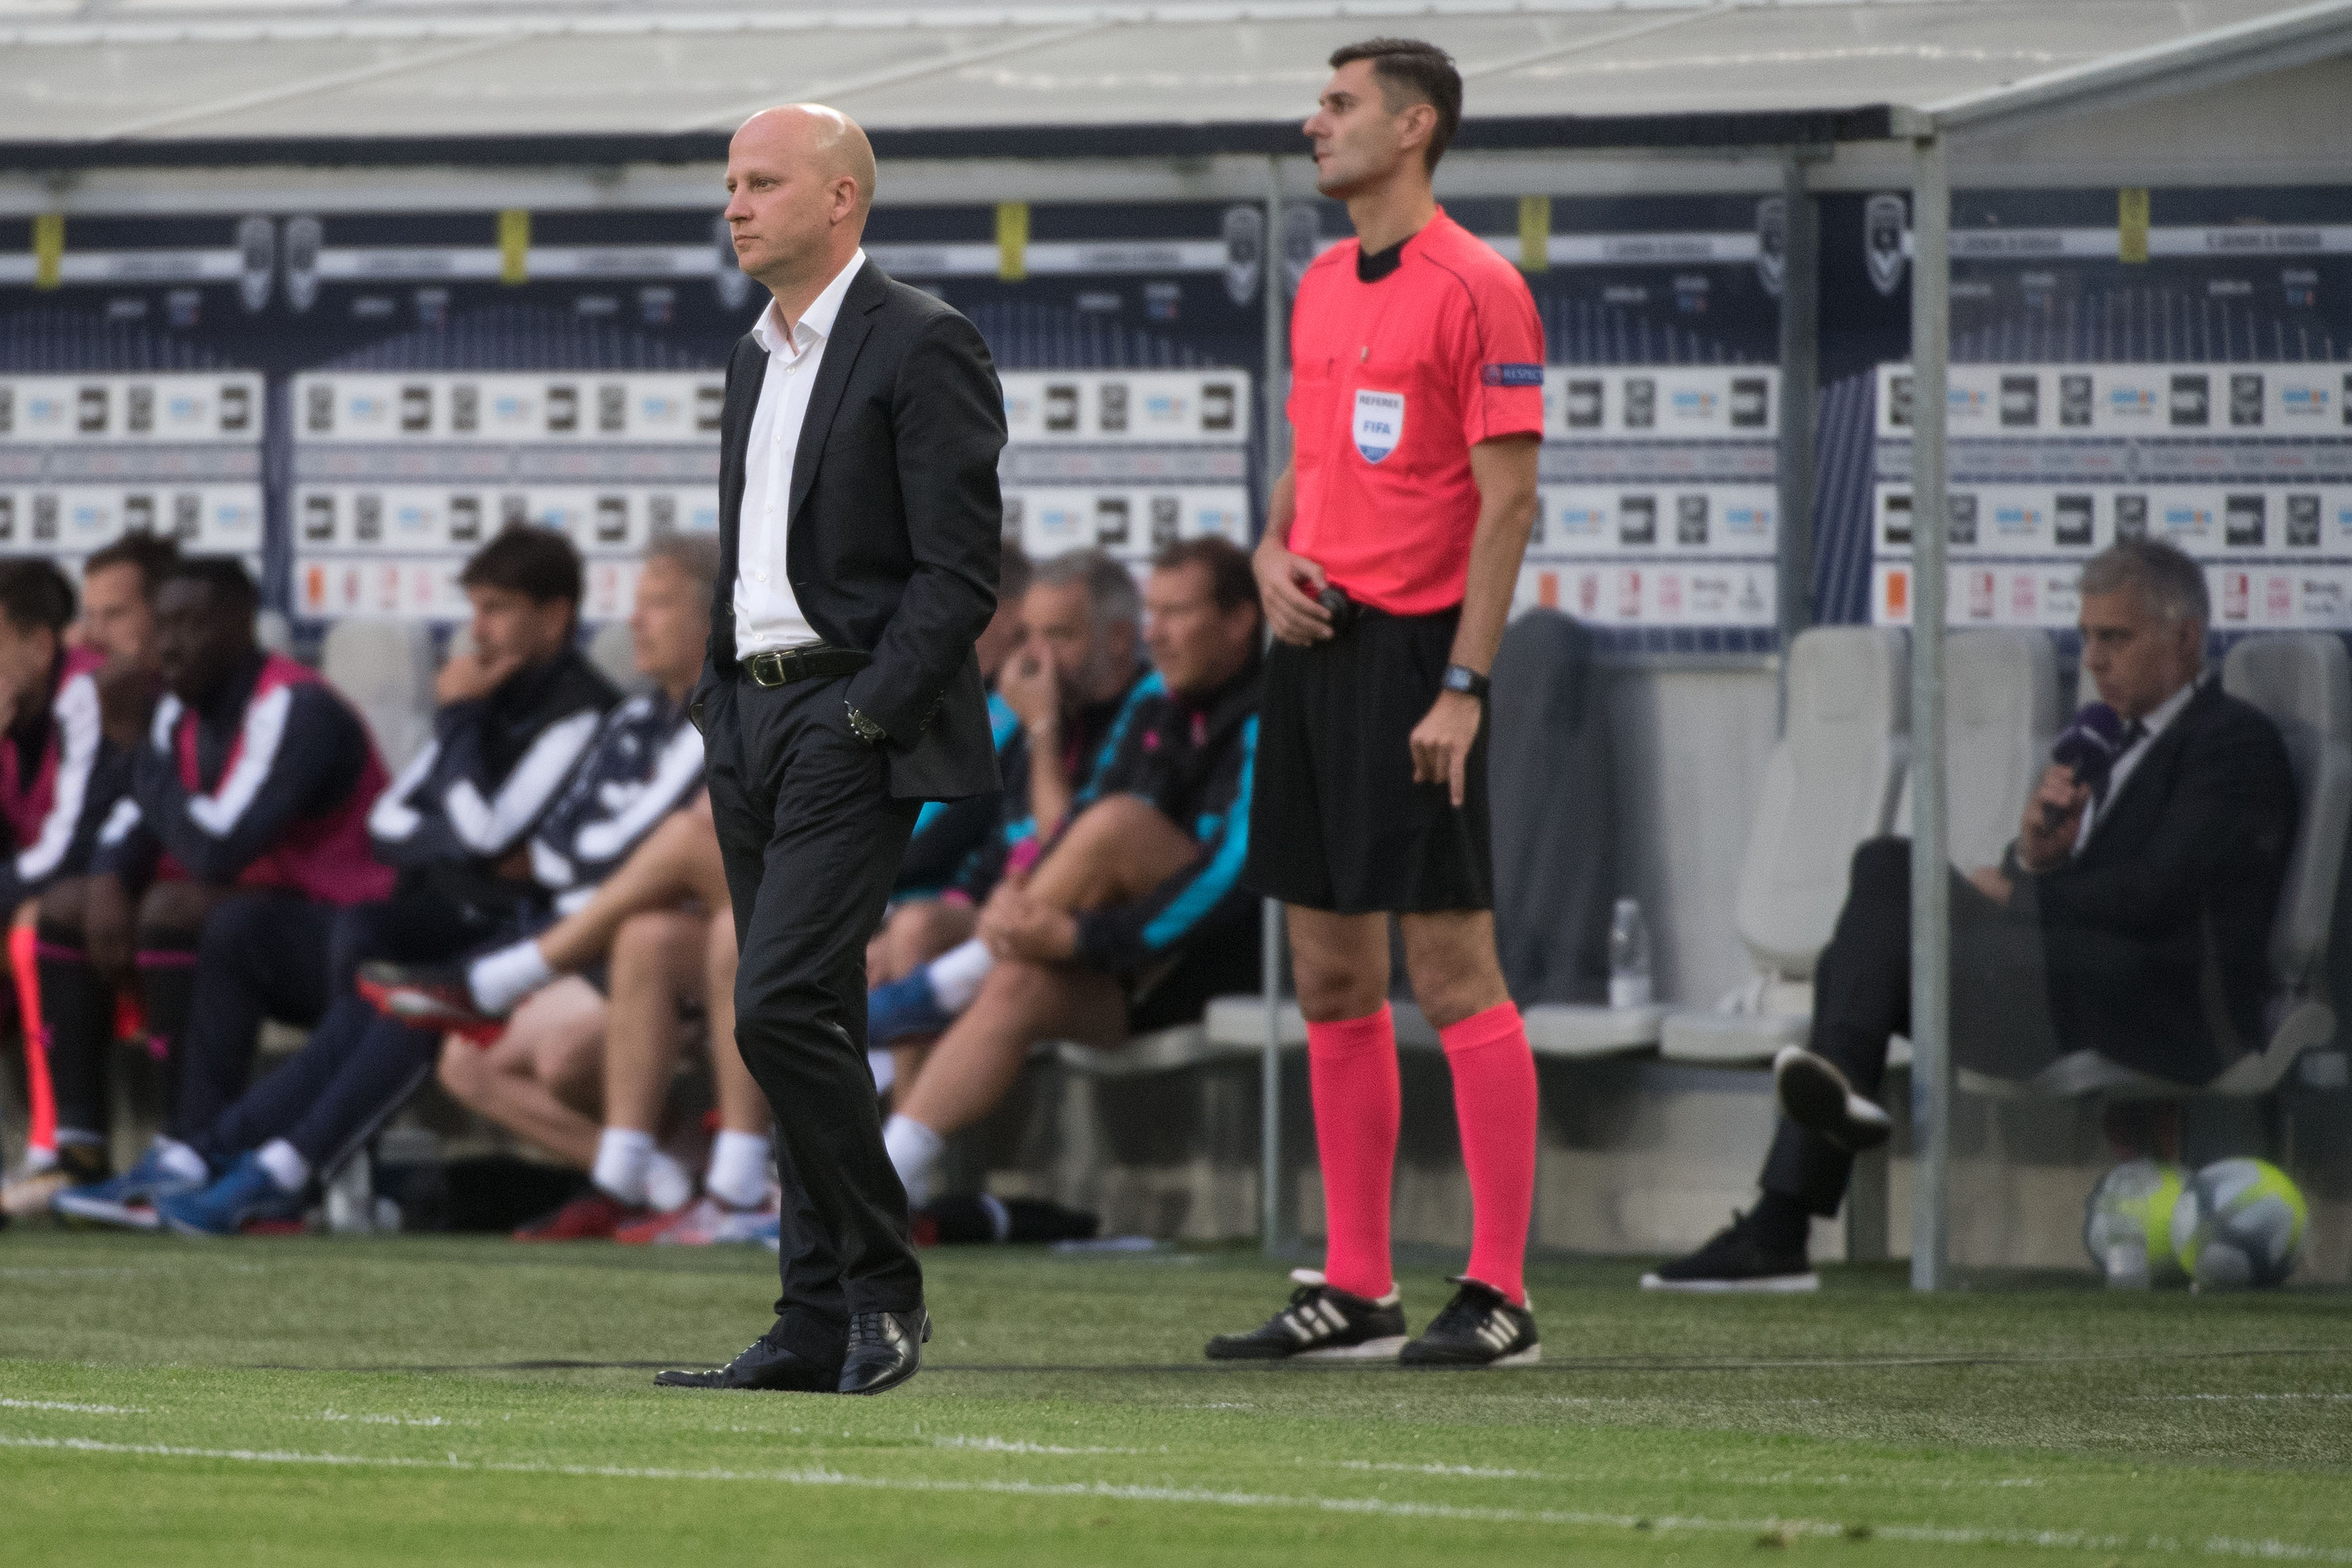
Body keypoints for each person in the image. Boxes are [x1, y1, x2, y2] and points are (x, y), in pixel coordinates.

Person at [1646, 537, 2298, 1292]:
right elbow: (2092, 890)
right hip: (2074, 977)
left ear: (2185, 637)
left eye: (2114, 637)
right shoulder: (2109, 743)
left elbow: (2158, 894)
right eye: (2085, 637)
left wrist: (2021, 893)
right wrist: (2036, 857)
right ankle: (1823, 1124)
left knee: (1883, 934)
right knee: (1890, 869)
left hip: (2160, 999)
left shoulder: (2233, 741)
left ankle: (1791, 1197)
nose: (2093, 659)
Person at [652, 103, 1004, 1398]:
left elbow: (960, 571)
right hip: (749, 711)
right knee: (811, 1012)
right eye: (729, 182)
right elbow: (750, 549)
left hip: (848, 713)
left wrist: (868, 714)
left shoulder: (923, 341)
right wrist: (716, 695)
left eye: (760, 181)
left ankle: (880, 1283)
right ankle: (811, 1318)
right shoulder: (757, 351)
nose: (734, 203)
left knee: (776, 1003)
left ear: (841, 198)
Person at [1208, 39, 1546, 1369]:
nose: (1313, 124)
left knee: (1451, 966)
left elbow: (1508, 500)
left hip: (1421, 662)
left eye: (1338, 105)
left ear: (1413, 127)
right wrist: (1264, 550)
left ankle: (1502, 1288)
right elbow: (1307, 450)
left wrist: (1463, 684)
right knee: (1328, 969)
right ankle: (1355, 1281)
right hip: (1315, 650)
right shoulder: (1318, 281)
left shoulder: (1480, 285)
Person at [62, 526, 619, 1234]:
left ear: (555, 616)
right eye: (475, 608)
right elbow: (395, 825)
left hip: (517, 931)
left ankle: (272, 1172)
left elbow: (482, 834)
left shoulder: (576, 706)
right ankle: (198, 1155)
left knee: (388, 977)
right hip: (439, 917)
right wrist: (466, 819)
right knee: (255, 932)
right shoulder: (489, 693)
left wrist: (458, 725)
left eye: (498, 609)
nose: (476, 631)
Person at [359, 534, 771, 1243]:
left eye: (658, 605)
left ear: (717, 616)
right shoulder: (636, 717)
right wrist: (598, 859)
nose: (635, 623)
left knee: (562, 1048)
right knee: (466, 1062)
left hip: (727, 936)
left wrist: (599, 858)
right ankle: (663, 1184)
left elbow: (632, 845)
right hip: (623, 932)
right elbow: (561, 850)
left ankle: (507, 982)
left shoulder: (739, 708)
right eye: (636, 606)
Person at [878, 537, 1265, 1208]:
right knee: (1018, 982)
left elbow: (1230, 879)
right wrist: (1019, 907)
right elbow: (1061, 843)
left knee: (1117, 825)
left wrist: (1082, 937)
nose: (1159, 634)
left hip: (1222, 957)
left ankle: (947, 981)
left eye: (1176, 614)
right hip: (1130, 965)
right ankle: (882, 1186)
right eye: (1154, 613)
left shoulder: (1266, 710)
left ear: (1239, 623)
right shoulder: (1162, 709)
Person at [45, 558, 396, 1227]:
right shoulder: (179, 706)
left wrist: (135, 747)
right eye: (163, 625)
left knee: (190, 912)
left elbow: (217, 849)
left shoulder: (294, 706)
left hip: (354, 936)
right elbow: (137, 817)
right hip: (268, 928)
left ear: (239, 626)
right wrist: (110, 878)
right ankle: (87, 1148)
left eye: (190, 625)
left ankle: (190, 1150)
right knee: (73, 908)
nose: (169, 643)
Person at [864, 548, 1150, 1083]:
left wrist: (1041, 732)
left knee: (925, 939)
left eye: (1058, 637)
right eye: (1027, 637)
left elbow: (1072, 848)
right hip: (1007, 916)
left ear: (1115, 639)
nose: (1034, 659)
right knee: (915, 928)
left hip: (1092, 947)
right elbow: (994, 847)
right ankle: (896, 1155)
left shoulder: (1137, 711)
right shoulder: (1046, 708)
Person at [0, 561, 136, 1217]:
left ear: (38, 644)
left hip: (112, 906)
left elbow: (72, 843)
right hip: (53, 897)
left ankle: (60, 1150)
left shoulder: (86, 691)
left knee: (32, 926)